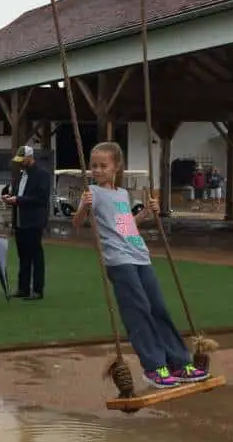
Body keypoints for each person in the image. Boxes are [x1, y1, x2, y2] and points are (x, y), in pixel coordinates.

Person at [74, 141, 209, 390]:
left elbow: (126, 227)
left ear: (116, 167)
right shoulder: (92, 193)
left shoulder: (122, 194)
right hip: (118, 260)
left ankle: (178, 361)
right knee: (138, 310)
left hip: (139, 255)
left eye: (103, 165)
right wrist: (83, 205)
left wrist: (147, 212)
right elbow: (77, 222)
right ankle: (154, 366)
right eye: (94, 166)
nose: (98, 170)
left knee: (158, 308)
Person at [2, 145, 50, 301]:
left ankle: (37, 289)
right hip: (20, 221)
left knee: (36, 255)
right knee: (23, 256)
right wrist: (9, 197)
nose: (20, 163)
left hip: (34, 221)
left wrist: (19, 200)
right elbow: (17, 193)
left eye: (23, 160)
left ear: (30, 158)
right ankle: (23, 288)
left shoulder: (42, 175)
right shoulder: (21, 175)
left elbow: (41, 199)